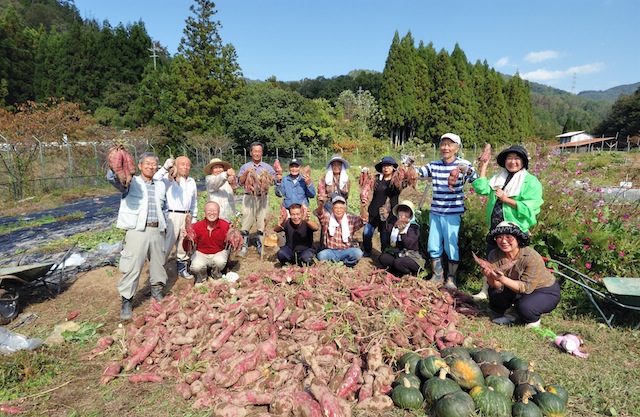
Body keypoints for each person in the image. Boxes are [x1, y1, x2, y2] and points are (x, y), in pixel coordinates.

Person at [471, 145, 543, 300]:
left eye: (517, 158)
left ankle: (518, 294)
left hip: (515, 231)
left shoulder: (530, 182)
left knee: (515, 262)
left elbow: (531, 208)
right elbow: (481, 188)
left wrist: (506, 200)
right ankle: (487, 290)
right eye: (509, 158)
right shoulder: (499, 178)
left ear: (523, 161)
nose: (513, 162)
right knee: (492, 259)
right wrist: (484, 165)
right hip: (496, 229)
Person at [107, 152, 167, 320]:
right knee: (132, 266)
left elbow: (165, 208)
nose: (151, 166)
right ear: (139, 166)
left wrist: (166, 225)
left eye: (154, 164)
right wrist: (115, 165)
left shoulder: (161, 185)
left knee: (158, 264)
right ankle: (127, 301)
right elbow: (113, 179)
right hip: (137, 231)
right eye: (147, 163)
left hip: (157, 230)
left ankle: (157, 291)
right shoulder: (131, 182)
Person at [417, 133, 477, 288]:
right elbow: (419, 172)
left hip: (453, 213)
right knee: (433, 244)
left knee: (451, 245)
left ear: (457, 148)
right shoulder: (434, 165)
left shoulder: (462, 164)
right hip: (436, 212)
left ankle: (451, 279)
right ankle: (437, 276)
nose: (446, 148)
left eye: (450, 145)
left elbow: (475, 179)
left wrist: (467, 171)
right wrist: (408, 167)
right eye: (443, 144)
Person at [480, 221, 560, 328]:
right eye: (499, 237)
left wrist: (502, 279)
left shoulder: (531, 257)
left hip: (543, 289)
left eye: (509, 237)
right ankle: (513, 311)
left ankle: (530, 316)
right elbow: (496, 285)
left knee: (526, 308)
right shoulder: (494, 254)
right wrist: (489, 276)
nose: (504, 241)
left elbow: (526, 288)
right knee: (495, 298)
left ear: (518, 239)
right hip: (514, 285)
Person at [153, 156, 198, 279]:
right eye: (182, 164)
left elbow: (194, 201)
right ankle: (158, 271)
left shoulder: (191, 181)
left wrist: (194, 217)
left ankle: (182, 269)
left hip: (186, 215)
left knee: (184, 243)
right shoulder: (169, 179)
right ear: (176, 165)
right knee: (167, 244)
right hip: (172, 215)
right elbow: (155, 179)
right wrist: (165, 167)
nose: (185, 167)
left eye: (188, 165)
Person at [237, 142, 277, 256]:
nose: (257, 153)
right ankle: (244, 245)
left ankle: (261, 245)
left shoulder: (267, 167)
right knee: (246, 220)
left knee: (262, 220)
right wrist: (247, 173)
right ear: (251, 152)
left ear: (262, 153)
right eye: (255, 151)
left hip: (263, 196)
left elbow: (275, 181)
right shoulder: (245, 167)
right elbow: (240, 182)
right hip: (249, 196)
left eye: (259, 151)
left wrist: (272, 176)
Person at [362, 156, 402, 257]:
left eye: (389, 166)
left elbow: (405, 182)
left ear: (393, 167)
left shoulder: (397, 181)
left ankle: (385, 257)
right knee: (366, 233)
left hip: (389, 215)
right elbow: (367, 186)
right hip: (374, 212)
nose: (386, 168)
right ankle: (367, 251)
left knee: (385, 239)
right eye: (384, 166)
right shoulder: (376, 180)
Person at [184, 201, 230, 285]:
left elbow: (231, 243)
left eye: (215, 210)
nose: (212, 213)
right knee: (196, 266)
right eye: (209, 210)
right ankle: (202, 278)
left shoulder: (225, 225)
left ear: (219, 212)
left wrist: (234, 235)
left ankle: (216, 275)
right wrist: (187, 239)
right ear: (204, 213)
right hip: (202, 253)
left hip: (218, 252)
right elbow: (187, 248)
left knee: (220, 261)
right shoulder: (197, 226)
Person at [315, 195, 368, 267]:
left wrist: (363, 208)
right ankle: (333, 263)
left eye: (341, 208)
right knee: (321, 255)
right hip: (331, 251)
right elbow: (320, 214)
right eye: (336, 208)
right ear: (332, 209)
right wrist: (321, 205)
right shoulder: (328, 218)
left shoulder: (350, 219)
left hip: (345, 250)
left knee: (358, 253)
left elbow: (363, 220)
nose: (338, 210)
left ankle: (344, 263)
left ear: (345, 209)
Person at [378, 200, 425, 277]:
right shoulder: (394, 225)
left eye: (406, 211)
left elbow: (409, 245)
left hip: (412, 257)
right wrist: (383, 219)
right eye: (401, 210)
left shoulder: (413, 227)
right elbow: (385, 234)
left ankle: (409, 275)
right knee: (383, 257)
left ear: (410, 214)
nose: (403, 213)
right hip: (399, 255)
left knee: (398, 263)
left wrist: (402, 232)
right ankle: (398, 272)